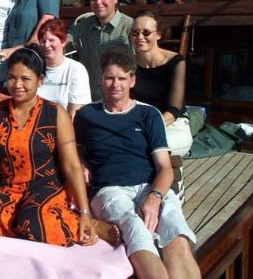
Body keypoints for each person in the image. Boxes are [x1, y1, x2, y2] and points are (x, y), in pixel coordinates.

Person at [0, 45, 97, 248]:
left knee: (34, 220)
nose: (17, 84)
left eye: (25, 79)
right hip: (10, 190)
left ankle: (81, 223)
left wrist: (85, 212)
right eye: (12, 78)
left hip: (47, 189)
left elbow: (72, 166)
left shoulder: (56, 113)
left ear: (40, 80)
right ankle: (21, 224)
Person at [74, 49, 199, 279]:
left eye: (122, 78)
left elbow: (165, 168)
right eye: (110, 78)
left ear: (132, 81)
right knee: (134, 229)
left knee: (175, 233)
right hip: (109, 189)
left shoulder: (148, 114)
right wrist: (81, 162)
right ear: (101, 79)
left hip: (150, 187)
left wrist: (155, 197)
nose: (115, 84)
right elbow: (74, 149)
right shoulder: (87, 115)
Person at [130, 10, 192, 157]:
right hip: (138, 123)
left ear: (158, 34)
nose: (140, 37)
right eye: (135, 33)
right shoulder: (129, 64)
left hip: (172, 123)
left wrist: (147, 129)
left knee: (151, 146)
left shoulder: (176, 62)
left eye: (146, 32)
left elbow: (174, 110)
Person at [67, 0, 133, 100]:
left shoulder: (130, 27)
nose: (98, 2)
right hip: (91, 101)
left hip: (121, 101)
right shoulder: (82, 28)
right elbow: (62, 41)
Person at [36, 18, 91, 120]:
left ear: (63, 41)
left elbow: (74, 113)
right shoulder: (34, 68)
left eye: (51, 40)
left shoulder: (76, 69)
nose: (47, 45)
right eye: (43, 41)